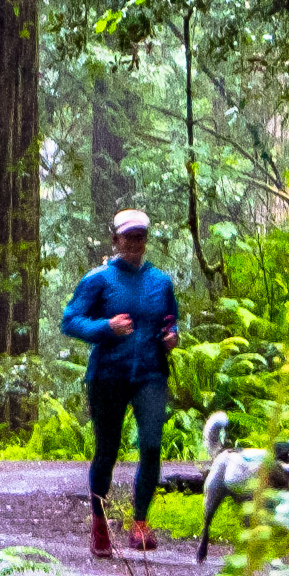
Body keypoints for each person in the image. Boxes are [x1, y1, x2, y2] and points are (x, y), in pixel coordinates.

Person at [63, 208, 181, 557]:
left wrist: (171, 336)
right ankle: (99, 523)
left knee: (151, 446)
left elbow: (170, 320)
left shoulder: (161, 282)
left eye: (140, 237)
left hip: (150, 374)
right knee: (108, 450)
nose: (135, 243)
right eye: (128, 237)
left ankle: (140, 522)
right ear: (115, 240)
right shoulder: (98, 280)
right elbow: (70, 321)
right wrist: (105, 328)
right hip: (107, 376)